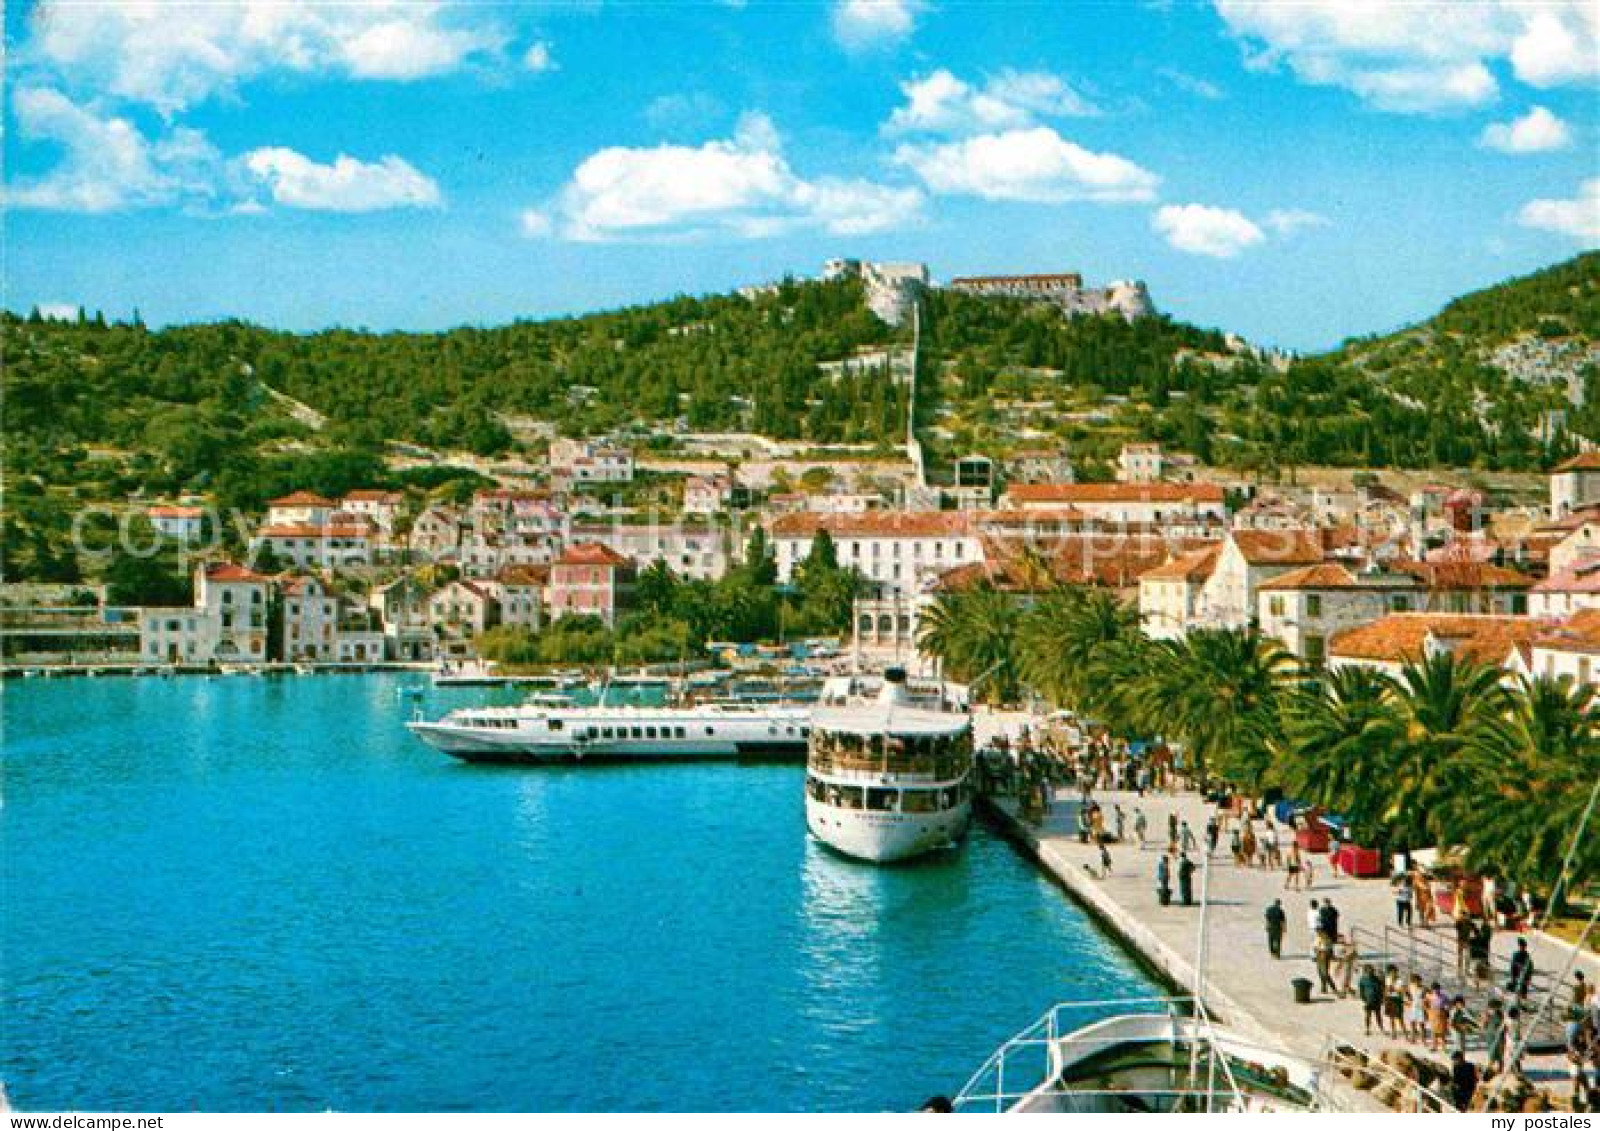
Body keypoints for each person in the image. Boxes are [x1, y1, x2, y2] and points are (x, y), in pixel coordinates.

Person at [1359, 964, 1386, 1036]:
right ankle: (1367, 1029)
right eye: (1369, 970)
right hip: (1368, 1000)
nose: (1371, 971)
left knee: (1378, 1015)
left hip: (1377, 1000)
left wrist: (1382, 999)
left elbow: (1382, 988)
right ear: (1366, 971)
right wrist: (1363, 998)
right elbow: (1361, 990)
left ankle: (1381, 1028)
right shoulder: (1363, 980)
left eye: (1372, 970)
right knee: (1368, 1015)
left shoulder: (1377, 979)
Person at [1508, 938, 1534, 1002]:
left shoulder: (1527, 956)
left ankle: (1521, 1002)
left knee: (1523, 993)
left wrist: (1529, 978)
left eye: (1523, 946)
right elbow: (1512, 966)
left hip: (1523, 977)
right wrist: (1513, 976)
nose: (1521, 947)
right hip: (1517, 976)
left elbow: (1530, 967)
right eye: (1521, 946)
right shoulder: (1516, 955)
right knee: (1516, 993)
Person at [1314, 930, 1337, 996]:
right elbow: (1315, 947)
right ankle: (1323, 987)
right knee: (1320, 972)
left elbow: (1329, 950)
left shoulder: (1327, 940)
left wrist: (1327, 954)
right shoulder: (1318, 938)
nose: (1318, 933)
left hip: (1324, 956)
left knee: (1325, 973)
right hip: (1319, 955)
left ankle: (1333, 987)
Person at [1336, 933, 1358, 997]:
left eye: (1341, 938)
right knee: (1345, 980)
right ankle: (1350, 991)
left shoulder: (1349, 947)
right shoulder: (1341, 947)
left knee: (1345, 979)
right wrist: (1338, 967)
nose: (1339, 940)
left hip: (1348, 965)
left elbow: (1353, 956)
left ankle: (1344, 993)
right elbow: (1341, 958)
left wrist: (1355, 966)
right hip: (1345, 965)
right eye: (1338, 939)